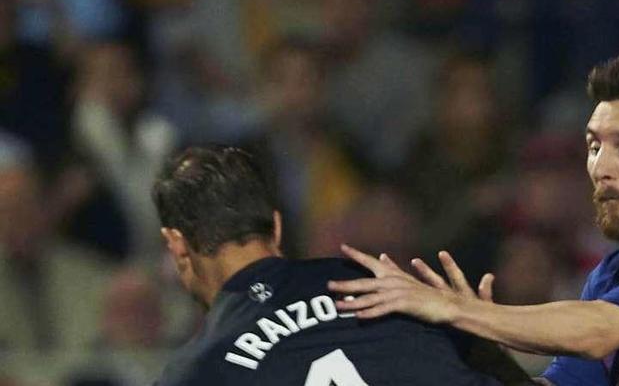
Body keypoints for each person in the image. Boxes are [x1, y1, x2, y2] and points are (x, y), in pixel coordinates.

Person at [330, 52, 619, 385]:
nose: (601, 167)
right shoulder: (613, 275)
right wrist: (478, 346)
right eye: (594, 146)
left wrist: (459, 310)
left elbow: (599, 331)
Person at [151, 145, 529, 385]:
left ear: (178, 246)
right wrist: (478, 331)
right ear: (277, 226)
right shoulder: (384, 287)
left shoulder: (194, 373)